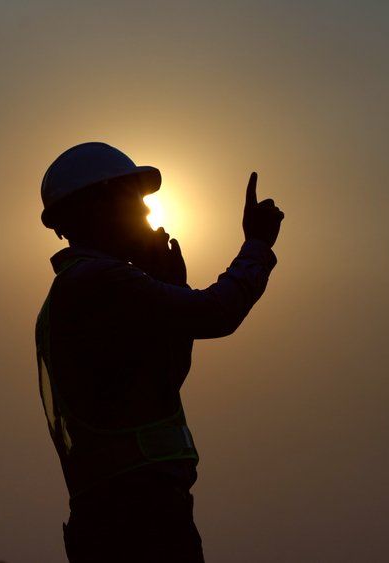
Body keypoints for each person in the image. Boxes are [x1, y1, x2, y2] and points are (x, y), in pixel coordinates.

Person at [35, 142, 283, 562]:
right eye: (136, 201)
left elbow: (161, 380)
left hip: (128, 507)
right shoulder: (98, 281)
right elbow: (216, 314)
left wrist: (171, 287)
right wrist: (257, 247)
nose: (148, 215)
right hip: (135, 515)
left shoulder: (83, 290)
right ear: (100, 207)